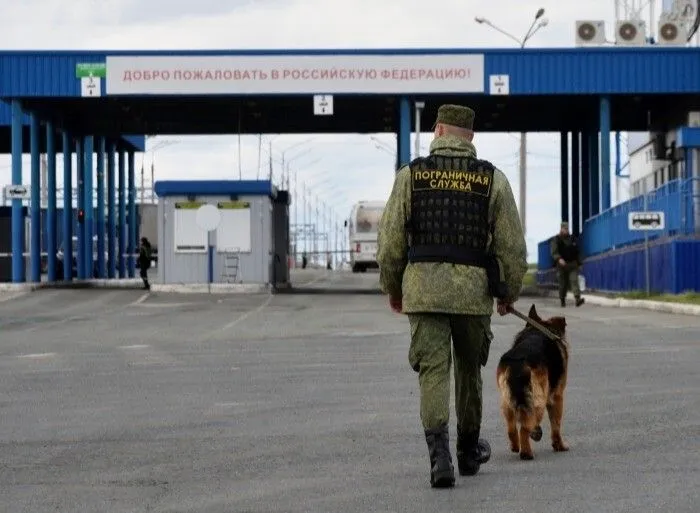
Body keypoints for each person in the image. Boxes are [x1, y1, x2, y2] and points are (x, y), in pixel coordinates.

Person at [377, 104, 528, 488]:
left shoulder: (410, 176)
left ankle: (439, 458)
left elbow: (391, 243)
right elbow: (512, 247)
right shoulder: (493, 180)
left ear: (438, 130)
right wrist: (508, 293)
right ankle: (468, 450)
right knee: (469, 370)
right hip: (472, 294)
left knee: (433, 371)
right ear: (470, 137)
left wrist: (394, 289)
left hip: (423, 292)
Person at [550, 222, 584, 307]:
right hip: (561, 265)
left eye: (567, 229)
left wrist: (579, 263)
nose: (566, 230)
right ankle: (562, 299)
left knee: (574, 280)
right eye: (565, 229)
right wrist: (559, 259)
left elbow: (577, 252)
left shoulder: (572, 238)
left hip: (572, 264)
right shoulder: (556, 239)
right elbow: (554, 252)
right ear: (561, 229)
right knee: (563, 284)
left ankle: (577, 299)